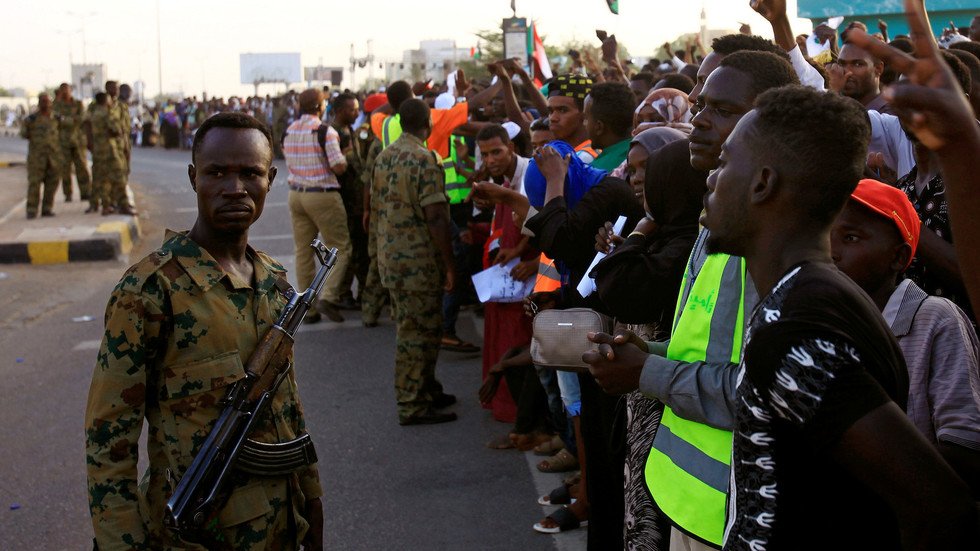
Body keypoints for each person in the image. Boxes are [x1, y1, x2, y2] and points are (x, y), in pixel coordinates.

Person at [84, 112, 324, 550]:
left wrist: (313, 502)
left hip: (283, 528)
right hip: (195, 537)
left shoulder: (272, 280)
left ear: (270, 179)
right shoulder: (150, 291)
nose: (235, 188)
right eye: (217, 172)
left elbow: (286, 406)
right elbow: (108, 441)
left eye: (250, 173)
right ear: (195, 178)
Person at [831, 178, 980, 496]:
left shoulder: (935, 320)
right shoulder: (828, 326)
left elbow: (967, 449)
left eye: (851, 237)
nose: (831, 253)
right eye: (824, 237)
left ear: (899, 258)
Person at [372, 99, 458, 426]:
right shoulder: (426, 159)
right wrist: (450, 265)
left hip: (391, 258)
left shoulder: (384, 156)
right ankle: (412, 403)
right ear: (428, 123)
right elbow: (436, 216)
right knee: (416, 334)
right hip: (418, 261)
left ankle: (426, 388)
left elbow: (376, 208)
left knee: (423, 327)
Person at [475, 124, 536, 426]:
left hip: (528, 273)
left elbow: (539, 217)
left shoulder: (529, 174)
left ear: (511, 148)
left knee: (520, 343)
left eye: (496, 152)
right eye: (485, 155)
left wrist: (527, 253)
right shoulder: (497, 178)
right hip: (505, 274)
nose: (490, 160)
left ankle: (524, 419)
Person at [282, 88, 351, 324]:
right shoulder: (325, 131)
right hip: (322, 194)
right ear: (321, 107)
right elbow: (338, 166)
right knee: (339, 246)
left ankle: (307, 309)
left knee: (303, 252)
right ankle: (329, 296)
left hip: (296, 194)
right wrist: (347, 155)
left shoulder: (289, 131)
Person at [330, 92, 369, 311]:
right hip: (346, 200)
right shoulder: (334, 133)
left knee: (357, 248)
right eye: (353, 109)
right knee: (351, 249)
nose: (356, 112)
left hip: (355, 199)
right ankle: (343, 293)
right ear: (340, 110)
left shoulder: (348, 130)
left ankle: (352, 292)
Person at [20, 93, 61, 219]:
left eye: (47, 101)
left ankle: (47, 208)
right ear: (39, 103)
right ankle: (31, 210)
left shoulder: (56, 118)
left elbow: (62, 133)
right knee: (34, 184)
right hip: (37, 158)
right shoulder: (31, 119)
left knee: (52, 183)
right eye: (43, 101)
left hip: (53, 157)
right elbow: (24, 134)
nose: (46, 103)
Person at [584, 82, 636, 171]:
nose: (584, 124)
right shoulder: (643, 150)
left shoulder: (596, 171)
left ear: (599, 127)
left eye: (586, 118)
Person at [52, 83, 91, 203]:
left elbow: (81, 119)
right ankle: (68, 194)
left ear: (70, 91)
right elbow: (53, 120)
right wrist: (69, 120)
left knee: (82, 168)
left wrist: (64, 119)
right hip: (62, 142)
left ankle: (85, 192)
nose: (64, 93)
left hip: (78, 141)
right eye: (62, 91)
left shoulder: (78, 104)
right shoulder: (55, 105)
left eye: (66, 90)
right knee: (65, 170)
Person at [547, 74, 598, 163]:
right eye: (551, 111)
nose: (553, 118)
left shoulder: (589, 158)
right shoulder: (556, 153)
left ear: (585, 113)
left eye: (563, 110)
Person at [835, 42, 893, 113]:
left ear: (878, 69)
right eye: (841, 64)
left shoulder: (891, 114)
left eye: (858, 64)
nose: (847, 71)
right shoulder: (842, 106)